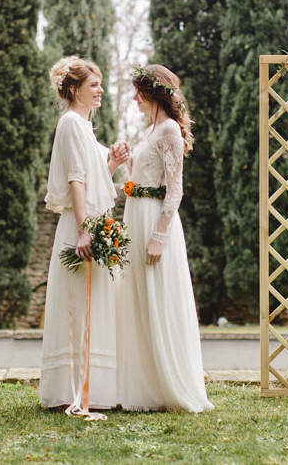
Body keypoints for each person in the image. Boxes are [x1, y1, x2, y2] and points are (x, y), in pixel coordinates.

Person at [116, 64, 213, 413]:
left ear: (153, 93)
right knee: (140, 298)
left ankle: (169, 386)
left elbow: (175, 190)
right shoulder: (150, 130)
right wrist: (126, 166)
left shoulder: (169, 129)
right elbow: (138, 184)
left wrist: (158, 236)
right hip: (136, 216)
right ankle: (145, 386)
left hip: (156, 223)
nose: (133, 98)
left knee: (158, 297)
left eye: (138, 92)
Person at [39, 56, 129, 420]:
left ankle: (94, 388)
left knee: (95, 304)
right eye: (94, 84)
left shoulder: (84, 127)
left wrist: (113, 164)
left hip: (92, 222)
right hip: (82, 227)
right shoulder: (71, 123)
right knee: (79, 305)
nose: (101, 89)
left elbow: (93, 178)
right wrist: (83, 229)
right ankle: (73, 392)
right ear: (74, 89)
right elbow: (76, 179)